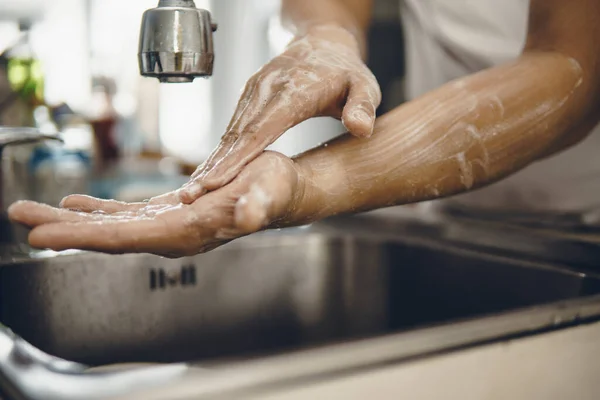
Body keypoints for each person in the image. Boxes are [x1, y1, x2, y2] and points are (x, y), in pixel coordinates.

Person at [8, 0, 600, 258]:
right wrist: (325, 37)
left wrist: (309, 183)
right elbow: (330, 2)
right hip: (451, 216)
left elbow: (574, 67)